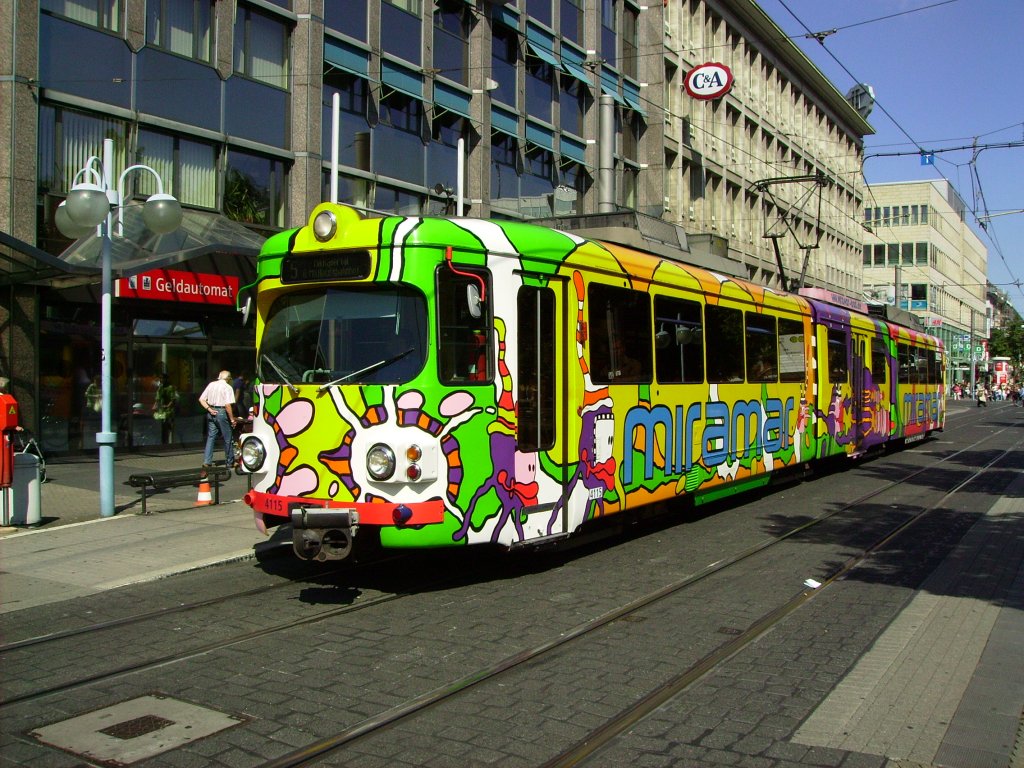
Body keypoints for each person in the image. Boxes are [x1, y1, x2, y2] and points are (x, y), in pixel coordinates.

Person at [198, 370, 238, 467]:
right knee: (228, 437)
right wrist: (232, 419)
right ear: (228, 378)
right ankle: (230, 461)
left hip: (211, 412)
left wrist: (209, 409)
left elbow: (201, 399)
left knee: (211, 437)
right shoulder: (227, 387)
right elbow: (228, 405)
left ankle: (207, 461)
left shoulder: (211, 384)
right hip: (222, 412)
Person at [153, 375, 179, 444]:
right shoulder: (160, 387)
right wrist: (155, 406)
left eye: (163, 378)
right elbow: (157, 398)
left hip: (168, 411)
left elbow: (173, 399)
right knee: (161, 427)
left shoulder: (170, 387)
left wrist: (167, 406)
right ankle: (162, 441)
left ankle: (168, 442)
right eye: (161, 378)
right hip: (161, 410)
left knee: (167, 426)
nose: (161, 380)